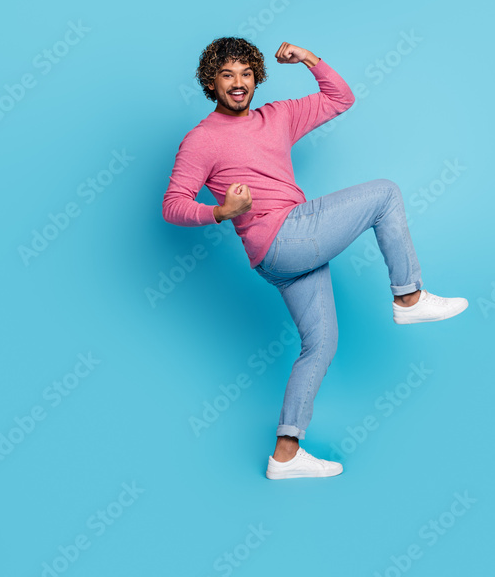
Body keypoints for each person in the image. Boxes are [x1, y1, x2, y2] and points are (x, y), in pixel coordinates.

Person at [162, 37, 467, 480]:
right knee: (384, 192)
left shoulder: (278, 116)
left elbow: (341, 97)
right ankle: (409, 298)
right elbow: (173, 205)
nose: (239, 82)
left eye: (247, 73)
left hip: (282, 255)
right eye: (227, 74)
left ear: (257, 79)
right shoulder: (201, 140)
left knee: (320, 346)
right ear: (212, 82)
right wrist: (220, 211)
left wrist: (306, 57)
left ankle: (285, 454)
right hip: (285, 236)